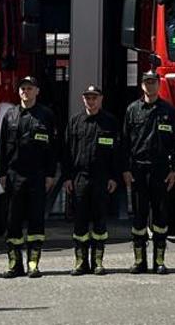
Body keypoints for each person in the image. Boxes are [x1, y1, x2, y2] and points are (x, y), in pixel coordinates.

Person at [0, 76, 59, 278]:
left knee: (35, 221)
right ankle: (14, 264)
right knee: (12, 221)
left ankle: (33, 263)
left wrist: (50, 174)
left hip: (38, 175)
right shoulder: (10, 115)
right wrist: (2, 173)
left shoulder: (46, 115)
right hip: (15, 175)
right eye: (23, 88)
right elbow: (2, 147)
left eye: (30, 88)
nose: (26, 91)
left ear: (37, 91)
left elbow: (52, 148)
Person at [121, 70, 175, 274]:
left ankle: (159, 261)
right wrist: (126, 170)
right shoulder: (132, 110)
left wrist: (174, 169)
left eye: (153, 82)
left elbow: (174, 143)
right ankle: (139, 261)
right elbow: (125, 143)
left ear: (158, 85)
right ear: (142, 85)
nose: (150, 86)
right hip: (138, 170)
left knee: (160, 217)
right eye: (146, 82)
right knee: (138, 218)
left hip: (160, 171)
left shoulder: (168, 111)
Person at [61, 85, 121, 275]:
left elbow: (116, 152)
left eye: (94, 97)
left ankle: (98, 261)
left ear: (101, 99)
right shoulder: (75, 121)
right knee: (80, 222)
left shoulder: (110, 122)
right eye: (88, 97)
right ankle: (80, 261)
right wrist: (67, 177)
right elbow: (66, 152)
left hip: (102, 178)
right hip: (80, 178)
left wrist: (114, 176)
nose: (91, 101)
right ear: (83, 99)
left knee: (100, 222)